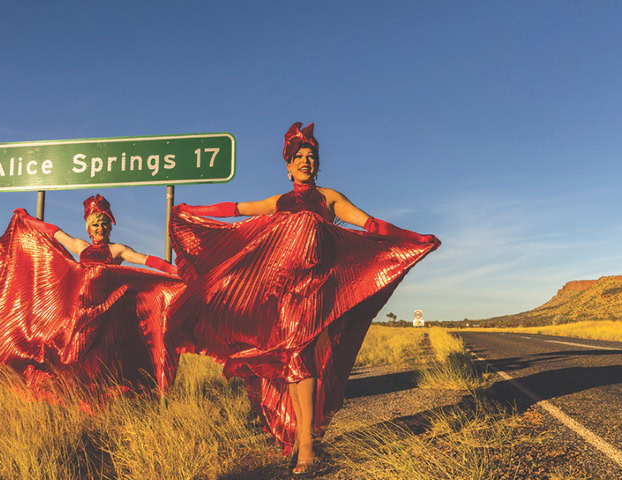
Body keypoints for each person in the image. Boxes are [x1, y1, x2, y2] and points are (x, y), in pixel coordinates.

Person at [169, 122, 439, 474]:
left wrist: (412, 237)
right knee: (294, 362)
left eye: (311, 157)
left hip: (317, 290)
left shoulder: (330, 199)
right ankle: (302, 438)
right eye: (299, 157)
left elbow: (369, 224)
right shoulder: (280, 201)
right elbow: (238, 209)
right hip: (283, 291)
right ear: (288, 166)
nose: (306, 162)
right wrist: (194, 211)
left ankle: (307, 449)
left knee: (302, 359)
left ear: (317, 164)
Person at [0, 194, 183, 406]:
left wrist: (178, 271)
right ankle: (76, 397)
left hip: (107, 314)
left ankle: (107, 400)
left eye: (104, 224)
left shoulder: (116, 249)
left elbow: (146, 260)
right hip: (79, 311)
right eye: (95, 225)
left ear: (110, 227)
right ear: (89, 229)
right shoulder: (81, 247)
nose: (100, 228)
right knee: (73, 355)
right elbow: (55, 233)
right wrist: (27, 219)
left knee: (105, 358)